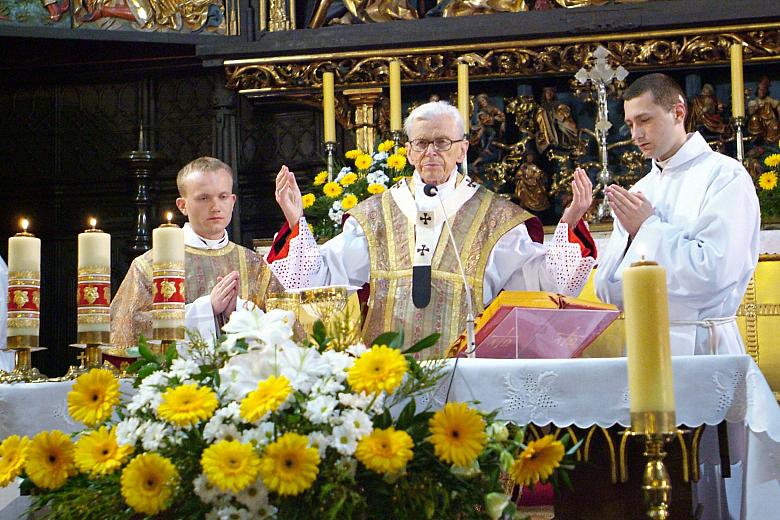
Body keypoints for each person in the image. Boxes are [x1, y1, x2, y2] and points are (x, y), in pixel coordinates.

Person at [268, 101, 597, 356]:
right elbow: (319, 277)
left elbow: (544, 283)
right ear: (408, 151)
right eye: (422, 143)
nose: (431, 152)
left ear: (462, 149)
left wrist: (569, 221)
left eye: (442, 142)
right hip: (385, 370)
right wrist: (296, 220)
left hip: (470, 367)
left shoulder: (496, 218)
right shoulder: (374, 216)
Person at [595, 73, 760, 356]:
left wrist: (646, 229)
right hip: (644, 346)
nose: (635, 135)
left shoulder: (724, 176)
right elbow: (610, 291)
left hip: (705, 346)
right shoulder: (640, 190)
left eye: (644, 120)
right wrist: (637, 236)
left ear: (678, 112)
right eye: (630, 124)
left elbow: (713, 274)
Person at [111, 157, 280, 348]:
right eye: (204, 198)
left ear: (233, 201)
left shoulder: (254, 264)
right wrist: (207, 309)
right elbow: (128, 329)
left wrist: (238, 311)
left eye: (223, 196)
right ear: (182, 205)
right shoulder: (149, 265)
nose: (216, 206)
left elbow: (282, 326)